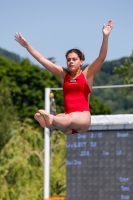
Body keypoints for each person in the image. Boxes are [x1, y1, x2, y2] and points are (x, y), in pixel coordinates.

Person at [15, 19, 114, 134]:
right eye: (68, 60)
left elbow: (101, 57)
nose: (71, 62)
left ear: (81, 61)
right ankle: (49, 122)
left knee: (63, 119)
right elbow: (42, 59)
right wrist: (27, 45)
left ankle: (50, 120)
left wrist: (105, 36)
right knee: (61, 119)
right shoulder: (63, 74)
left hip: (82, 118)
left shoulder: (87, 74)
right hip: (67, 121)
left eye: (74, 59)